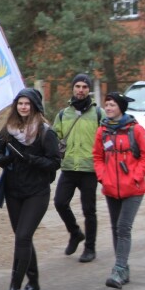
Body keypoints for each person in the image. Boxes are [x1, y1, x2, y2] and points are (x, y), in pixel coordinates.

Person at [0, 89, 60, 290]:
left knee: (22, 237)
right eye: (20, 103)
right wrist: (4, 159)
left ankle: (14, 288)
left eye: (27, 103)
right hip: (13, 192)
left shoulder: (45, 132)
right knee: (23, 238)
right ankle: (34, 283)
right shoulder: (8, 130)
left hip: (37, 192)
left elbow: (54, 163)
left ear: (35, 106)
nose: (23, 107)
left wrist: (31, 159)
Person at [93, 92, 145, 290]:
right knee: (115, 228)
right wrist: (103, 176)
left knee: (123, 228)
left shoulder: (135, 130)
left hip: (133, 189)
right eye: (107, 105)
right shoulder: (102, 131)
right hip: (111, 188)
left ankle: (118, 269)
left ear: (120, 107)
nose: (108, 108)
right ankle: (123, 268)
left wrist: (136, 177)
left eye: (111, 105)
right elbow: (97, 156)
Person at [53, 74, 105, 263]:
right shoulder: (62, 114)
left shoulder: (99, 114)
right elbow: (53, 138)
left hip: (89, 170)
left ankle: (90, 248)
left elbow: (106, 139)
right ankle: (75, 233)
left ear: (88, 90)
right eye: (78, 86)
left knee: (89, 210)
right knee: (59, 203)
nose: (81, 89)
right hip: (68, 168)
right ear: (73, 88)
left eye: (84, 86)